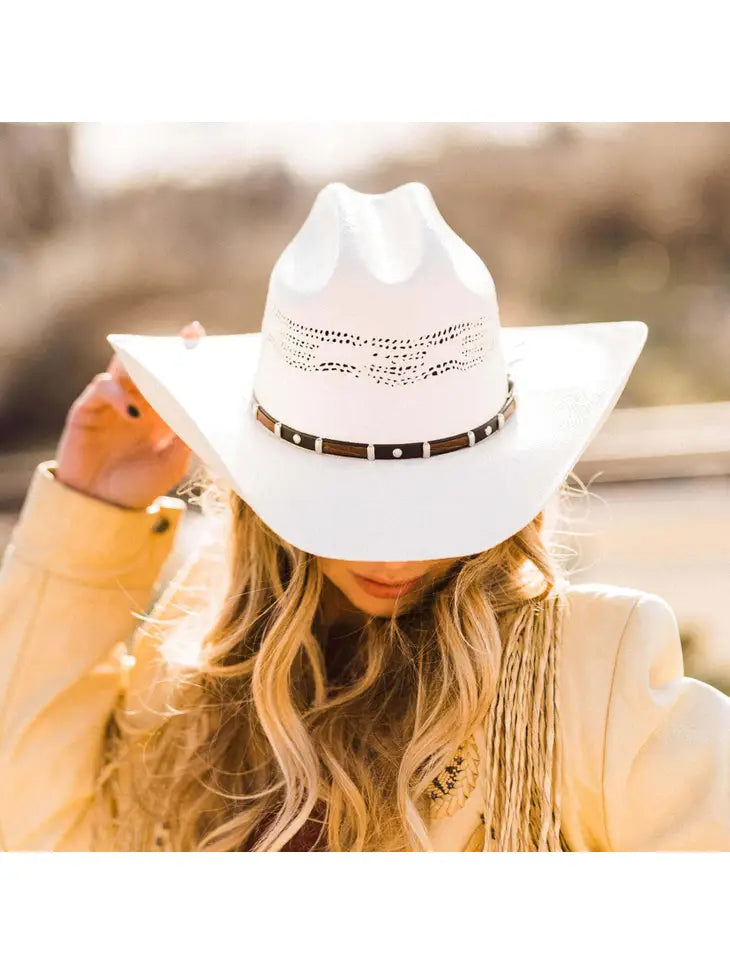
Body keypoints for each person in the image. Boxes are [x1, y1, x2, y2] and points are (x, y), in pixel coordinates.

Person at [1, 181, 729, 853]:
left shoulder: (592, 673)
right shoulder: (194, 663)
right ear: (262, 491)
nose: (393, 557)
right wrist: (90, 510)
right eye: (343, 510)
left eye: (438, 506)